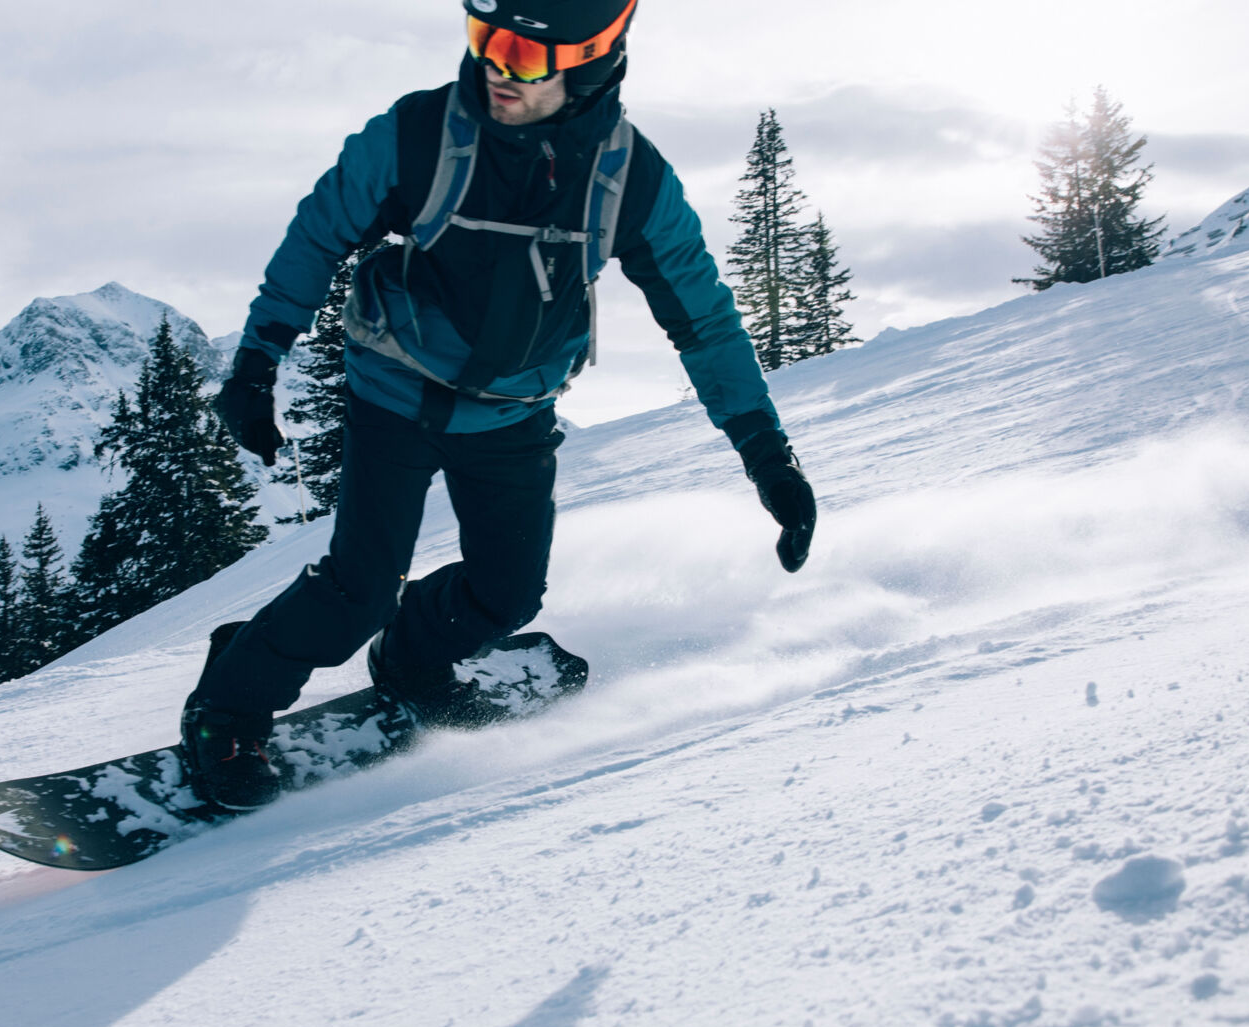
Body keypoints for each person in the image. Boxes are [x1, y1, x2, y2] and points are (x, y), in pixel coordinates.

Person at [185, 0, 818, 809]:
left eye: (521, 53)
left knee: (508, 594)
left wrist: (767, 454)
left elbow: (704, 322)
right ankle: (228, 707)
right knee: (359, 588)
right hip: (395, 391)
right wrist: (256, 363)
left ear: (588, 64)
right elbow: (318, 234)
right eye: (485, 38)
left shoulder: (632, 179)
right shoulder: (418, 135)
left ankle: (413, 659)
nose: (494, 66)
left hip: (512, 413)